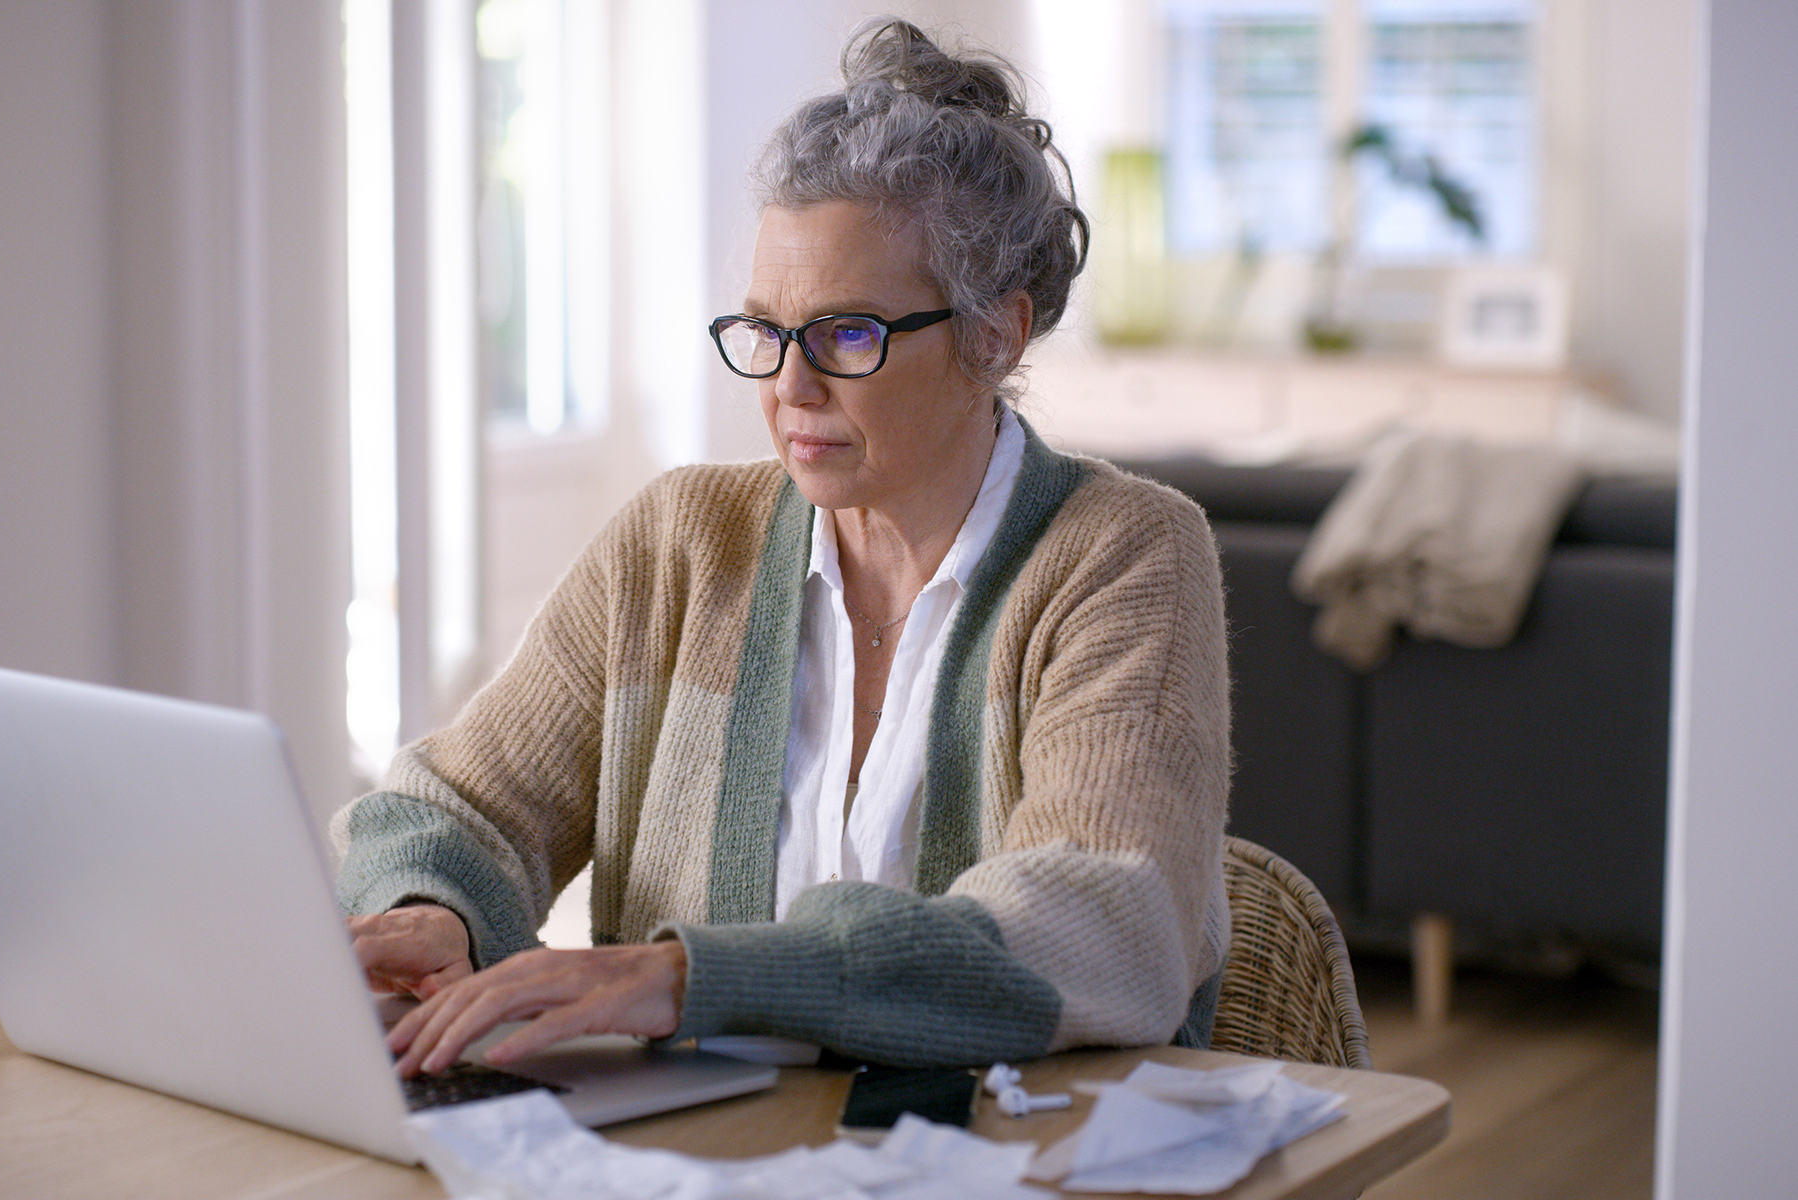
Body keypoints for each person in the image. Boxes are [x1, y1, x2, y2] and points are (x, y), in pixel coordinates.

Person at [335, 18, 1229, 1079]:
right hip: (701, 1161)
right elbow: (458, 805)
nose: (787, 387)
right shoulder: (675, 544)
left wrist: (683, 980)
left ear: (992, 336)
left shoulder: (1122, 554)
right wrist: (429, 909)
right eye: (763, 330)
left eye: (846, 334)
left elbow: (1100, 913)